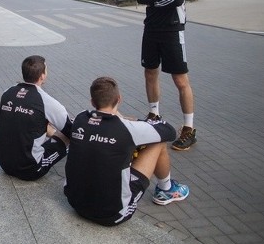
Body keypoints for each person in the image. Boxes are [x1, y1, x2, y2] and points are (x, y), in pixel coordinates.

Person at [64, 76, 190, 226]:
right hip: (112, 214)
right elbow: (169, 132)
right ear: (119, 99)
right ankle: (166, 189)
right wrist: (136, 120)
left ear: (92, 102)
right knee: (158, 143)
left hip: (75, 204)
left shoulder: (80, 118)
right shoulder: (127, 128)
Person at [135, 0, 196, 151]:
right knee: (150, 72)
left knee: (180, 80)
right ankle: (154, 113)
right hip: (151, 28)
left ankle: (189, 128)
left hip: (172, 28)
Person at [0, 55, 73, 181]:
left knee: (35, 121)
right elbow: (72, 131)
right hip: (30, 169)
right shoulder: (47, 101)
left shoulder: (7, 92)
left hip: (3, 163)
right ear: (42, 76)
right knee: (68, 136)